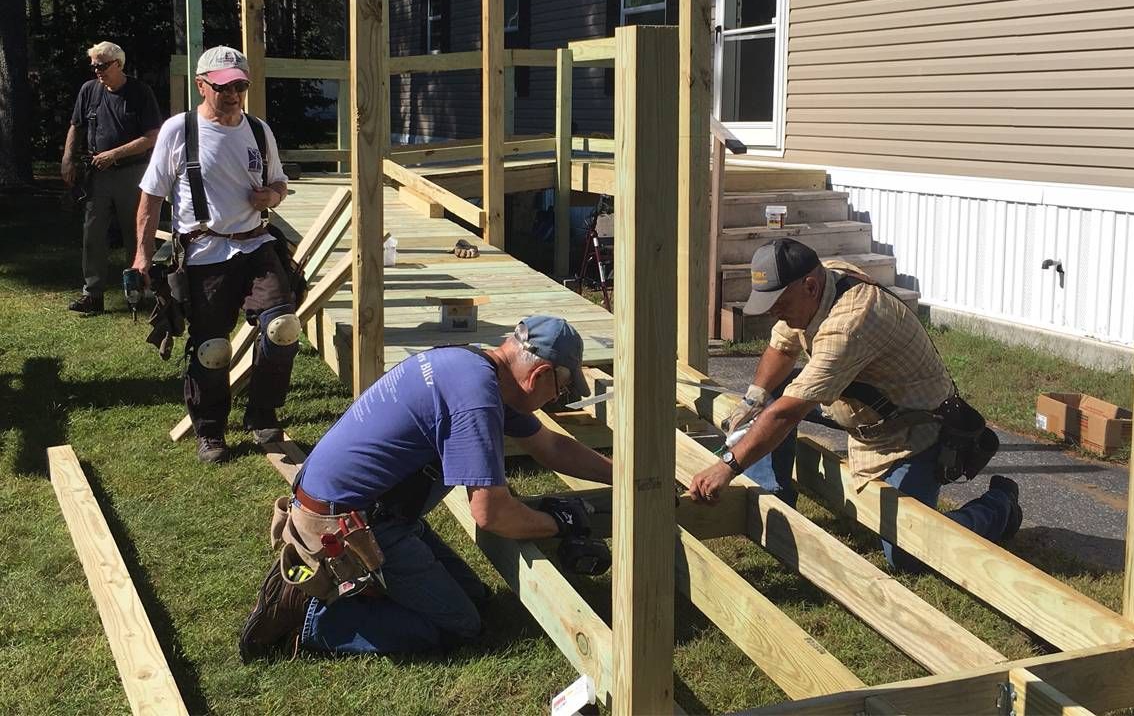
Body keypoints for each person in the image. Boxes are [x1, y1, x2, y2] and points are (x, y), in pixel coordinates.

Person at [237, 316, 614, 661]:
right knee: (461, 626)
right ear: (540, 375)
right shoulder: (476, 400)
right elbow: (492, 513)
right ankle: (312, 618)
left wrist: (622, 474)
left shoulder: (472, 367)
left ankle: (358, 587)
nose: (555, 400)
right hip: (351, 525)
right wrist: (558, 523)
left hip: (371, 508)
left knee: (478, 601)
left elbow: (551, 446)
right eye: (560, 391)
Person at [688, 239, 1021, 571]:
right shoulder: (822, 284)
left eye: (779, 303)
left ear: (809, 286)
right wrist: (754, 398)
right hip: (861, 408)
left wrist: (727, 465)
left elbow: (788, 413)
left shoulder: (850, 324)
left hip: (910, 433)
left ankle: (999, 505)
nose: (775, 311)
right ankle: (772, 501)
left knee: (909, 556)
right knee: (774, 395)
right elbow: (782, 347)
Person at [131, 46, 292, 464]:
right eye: (223, 86)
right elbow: (150, 199)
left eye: (240, 85)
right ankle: (211, 431)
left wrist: (270, 195)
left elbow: (279, 183)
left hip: (256, 242)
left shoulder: (259, 130)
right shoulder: (178, 130)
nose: (233, 93)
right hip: (205, 251)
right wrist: (141, 259)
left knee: (282, 328)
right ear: (201, 85)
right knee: (213, 348)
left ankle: (262, 413)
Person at [62, 41, 163, 315]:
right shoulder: (89, 90)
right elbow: (76, 125)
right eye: (94, 65)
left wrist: (114, 154)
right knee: (92, 233)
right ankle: (92, 294)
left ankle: (139, 290)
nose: (97, 70)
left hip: (132, 172)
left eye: (102, 65)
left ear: (118, 64)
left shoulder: (140, 92)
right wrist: (67, 158)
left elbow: (152, 137)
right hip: (98, 174)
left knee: (137, 233)